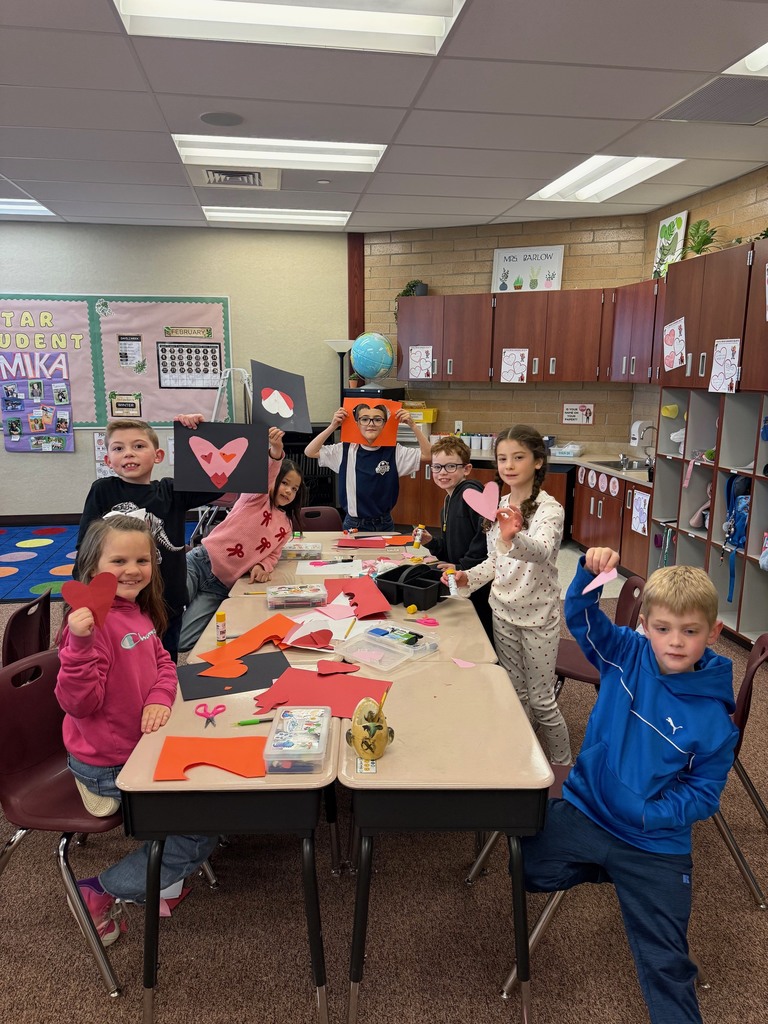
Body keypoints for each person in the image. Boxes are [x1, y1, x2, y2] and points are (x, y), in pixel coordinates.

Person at [521, 548, 739, 1024]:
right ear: (645, 625)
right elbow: (578, 615)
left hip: (653, 843)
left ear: (713, 633)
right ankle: (606, 869)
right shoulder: (626, 653)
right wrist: (587, 572)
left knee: (667, 964)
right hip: (588, 811)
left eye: (690, 631)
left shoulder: (717, 722)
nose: (675, 642)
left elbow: (703, 794)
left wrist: (645, 814)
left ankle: (619, 872)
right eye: (662, 629)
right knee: (525, 867)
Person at [56, 515, 218, 947]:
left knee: (215, 784)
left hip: (142, 743)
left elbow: (165, 663)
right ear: (92, 567)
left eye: (142, 560)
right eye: (119, 560)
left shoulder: (136, 611)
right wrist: (79, 646)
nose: (133, 569)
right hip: (107, 765)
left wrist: (158, 697)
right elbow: (78, 703)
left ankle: (160, 875)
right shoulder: (92, 625)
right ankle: (98, 890)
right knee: (202, 831)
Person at [450, 425, 571, 764]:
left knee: (542, 702)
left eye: (518, 457)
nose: (509, 465)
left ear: (538, 462)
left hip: (537, 619)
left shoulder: (549, 509)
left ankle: (564, 769)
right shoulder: (500, 502)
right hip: (502, 611)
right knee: (515, 694)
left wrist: (513, 537)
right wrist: (467, 578)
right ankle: (524, 760)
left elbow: (542, 551)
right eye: (502, 458)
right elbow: (494, 561)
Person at [76, 415, 216, 661]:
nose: (128, 453)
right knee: (123, 659)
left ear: (158, 455)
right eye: (119, 448)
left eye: (138, 446)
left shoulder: (172, 491)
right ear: (108, 460)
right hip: (119, 597)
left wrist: (195, 434)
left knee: (164, 658)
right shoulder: (103, 489)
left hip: (167, 598)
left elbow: (218, 481)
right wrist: (85, 596)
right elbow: (86, 546)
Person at [179, 428, 305, 651]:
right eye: (284, 483)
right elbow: (268, 472)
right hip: (200, 562)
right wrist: (276, 452)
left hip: (220, 586)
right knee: (166, 609)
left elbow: (273, 555)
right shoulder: (255, 498)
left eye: (294, 488)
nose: (288, 491)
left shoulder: (286, 527)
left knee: (184, 642)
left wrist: (262, 565)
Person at [304, 403, 432, 532]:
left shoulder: (395, 452)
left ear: (384, 423)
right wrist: (333, 426)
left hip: (384, 523)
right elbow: (310, 451)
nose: (371, 424)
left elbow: (429, 455)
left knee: (386, 553)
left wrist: (413, 425)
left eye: (377, 420)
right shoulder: (345, 450)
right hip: (354, 523)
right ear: (357, 423)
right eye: (364, 419)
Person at [416, 435, 494, 641]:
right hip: (460, 575)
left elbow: (486, 539)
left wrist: (462, 566)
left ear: (466, 469)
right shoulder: (448, 501)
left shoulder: (471, 493)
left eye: (451, 467)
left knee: (479, 629)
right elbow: (451, 548)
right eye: (437, 467)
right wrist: (431, 542)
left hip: (477, 580)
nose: (442, 473)